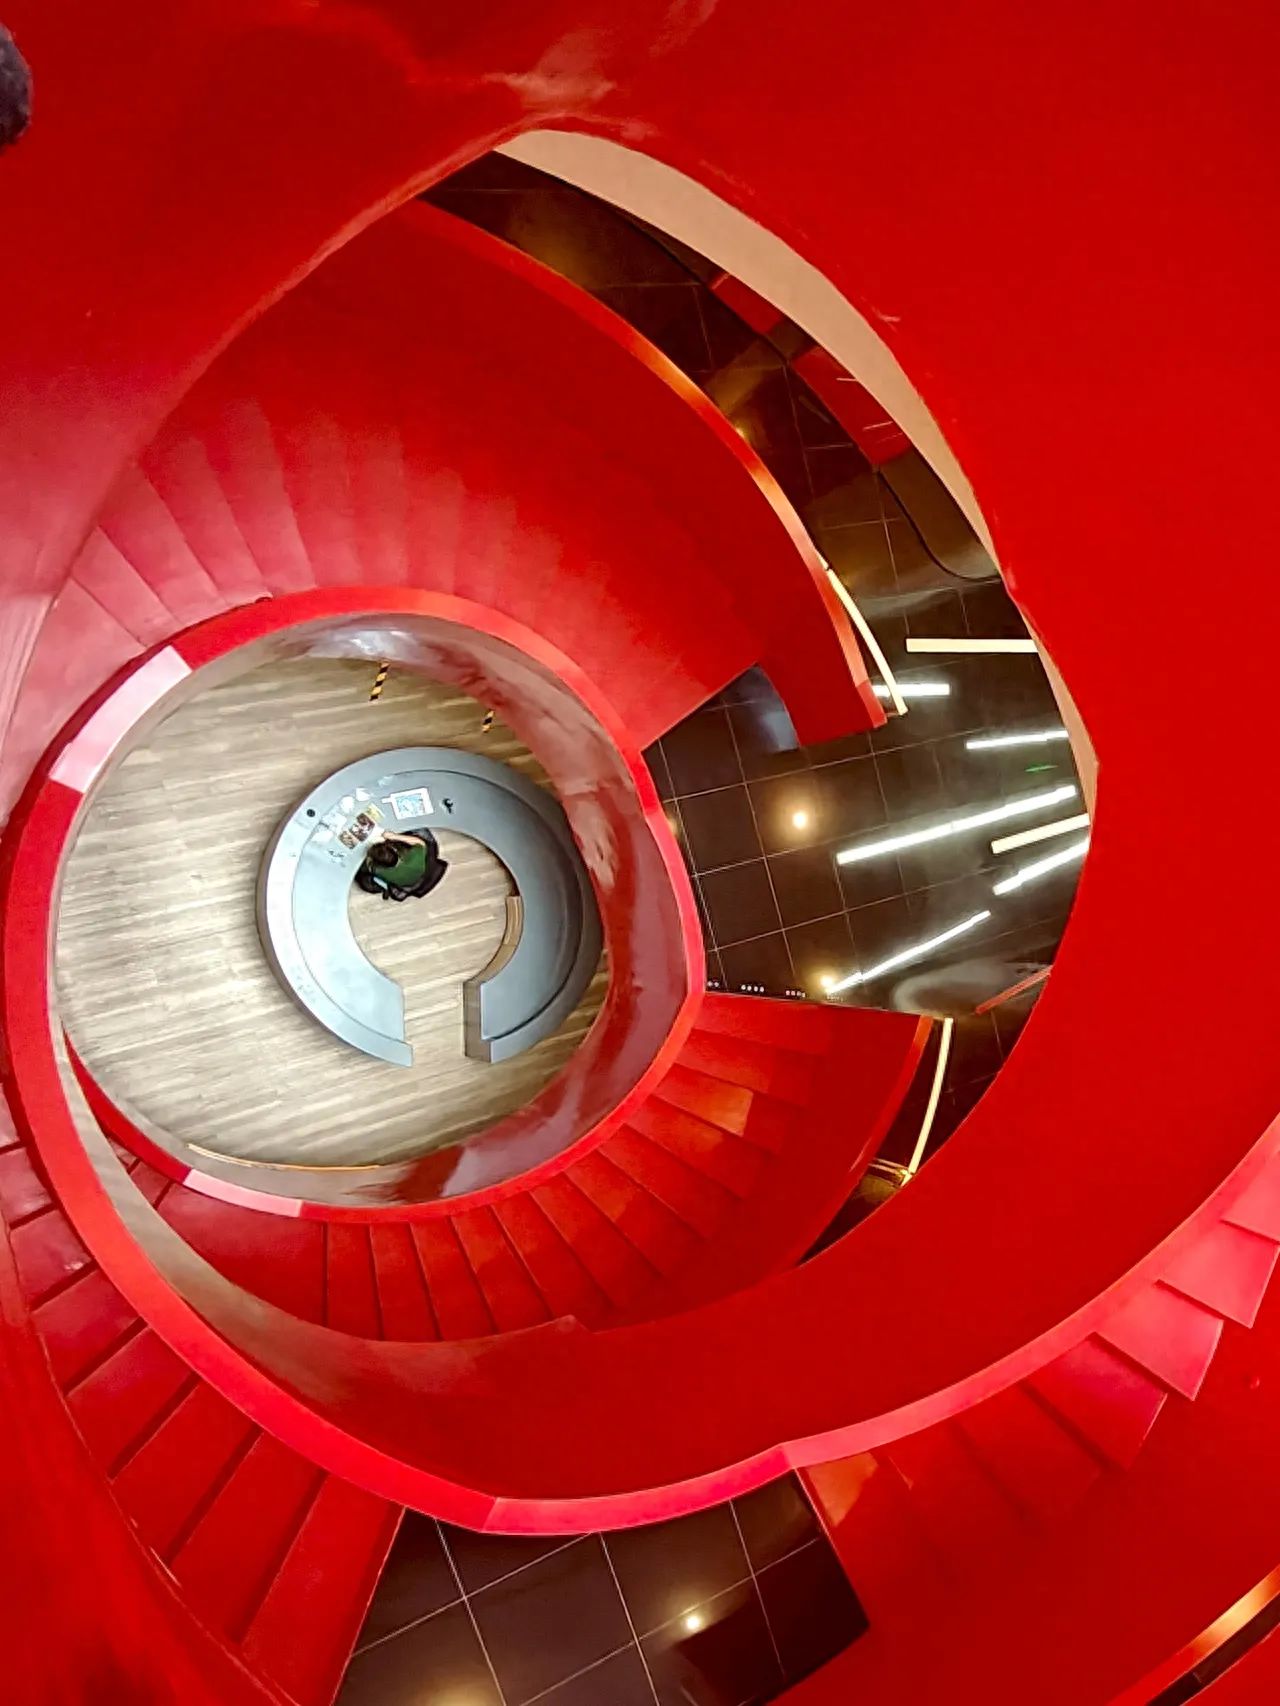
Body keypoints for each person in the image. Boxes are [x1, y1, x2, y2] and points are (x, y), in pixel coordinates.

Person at [356, 828, 448, 903]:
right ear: (395, 850)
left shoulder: (377, 870)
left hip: (407, 881)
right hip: (414, 875)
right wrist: (394, 836)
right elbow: (421, 843)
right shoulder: (413, 856)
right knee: (423, 833)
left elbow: (366, 865)